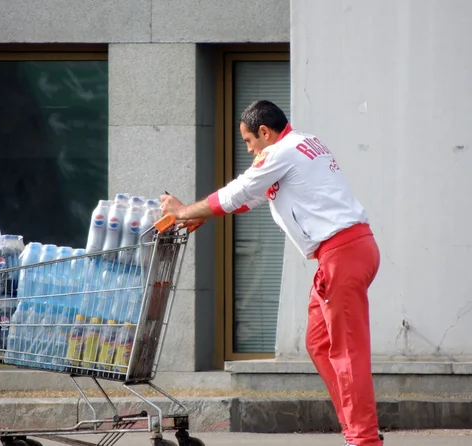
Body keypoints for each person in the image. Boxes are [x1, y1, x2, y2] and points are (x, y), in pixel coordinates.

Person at [160, 100, 383, 446]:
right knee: (320, 343)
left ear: (265, 132)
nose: (248, 149)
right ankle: (356, 429)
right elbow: (254, 194)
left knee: (346, 352)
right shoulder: (301, 144)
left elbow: (241, 191)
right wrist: (201, 213)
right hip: (349, 251)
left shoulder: (281, 152)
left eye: (249, 141)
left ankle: (363, 439)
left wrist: (184, 210)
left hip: (341, 255)